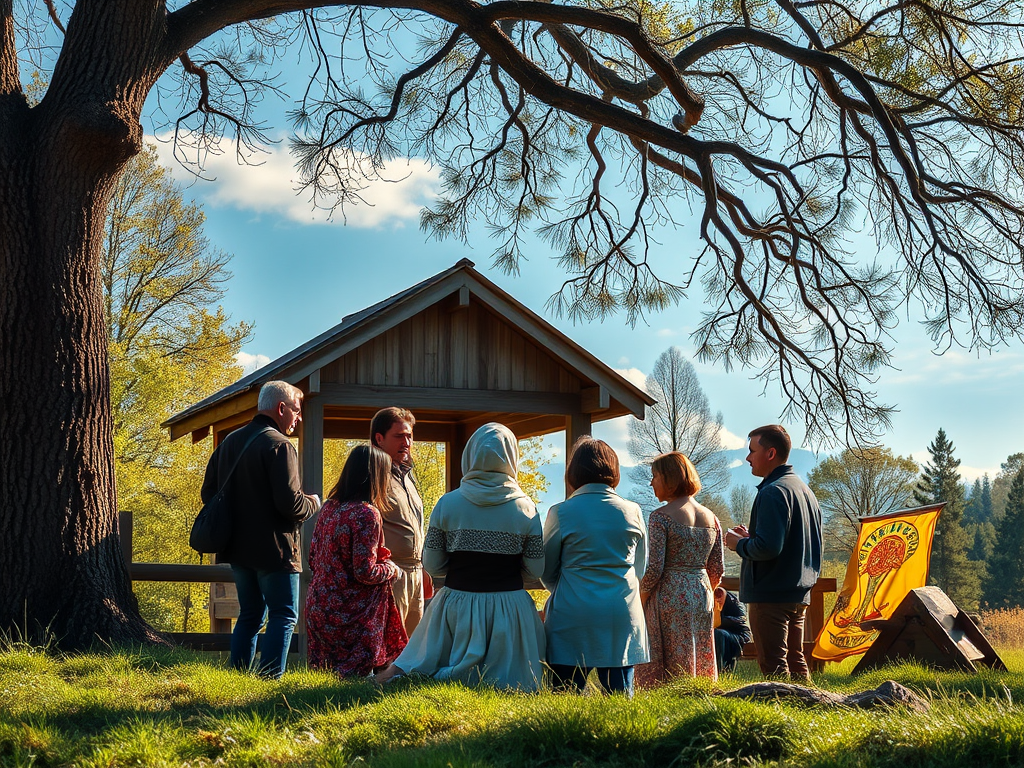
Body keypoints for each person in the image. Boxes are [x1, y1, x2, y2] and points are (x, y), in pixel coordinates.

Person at [374, 422, 546, 691]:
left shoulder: (448, 503)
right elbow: (535, 570)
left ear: (471, 454)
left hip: (456, 605)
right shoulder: (526, 508)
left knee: (423, 667)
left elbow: (431, 563)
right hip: (510, 609)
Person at [201, 380, 320, 679]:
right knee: (283, 615)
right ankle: (269, 679)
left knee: (251, 615)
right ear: (281, 408)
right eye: (297, 409)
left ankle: (238, 678)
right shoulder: (280, 445)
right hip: (275, 550)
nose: (299, 417)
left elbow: (209, 494)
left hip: (238, 550)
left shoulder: (228, 443)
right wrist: (314, 504)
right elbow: (290, 505)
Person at [543, 436, 648, 696]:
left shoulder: (561, 512)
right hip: (620, 613)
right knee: (620, 700)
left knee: (565, 697)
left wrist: (565, 584)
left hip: (572, 612)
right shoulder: (632, 511)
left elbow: (546, 569)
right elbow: (640, 568)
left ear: (573, 472)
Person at [724, 424, 823, 682]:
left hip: (771, 594)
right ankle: (812, 713)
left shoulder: (773, 491)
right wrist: (751, 538)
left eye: (751, 451)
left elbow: (768, 548)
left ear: (770, 453)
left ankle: (783, 718)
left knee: (774, 664)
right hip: (798, 592)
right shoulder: (804, 490)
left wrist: (739, 544)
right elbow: (788, 541)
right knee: (796, 658)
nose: (747, 458)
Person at [306, 445, 407, 677]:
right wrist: (391, 570)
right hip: (351, 615)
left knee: (327, 680)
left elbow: (313, 558)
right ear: (376, 476)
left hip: (319, 606)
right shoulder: (366, 514)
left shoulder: (328, 508)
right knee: (357, 684)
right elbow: (365, 572)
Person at [635, 451, 724, 687]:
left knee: (669, 657)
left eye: (655, 476)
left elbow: (655, 568)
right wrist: (705, 590)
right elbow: (717, 568)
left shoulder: (660, 517)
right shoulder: (712, 518)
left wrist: (641, 598)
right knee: (698, 649)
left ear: (670, 478)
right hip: (701, 592)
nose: (651, 482)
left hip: (669, 595)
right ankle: (699, 692)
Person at [370, 407, 425, 635]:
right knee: (390, 649)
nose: (407, 442)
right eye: (399, 436)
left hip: (417, 573)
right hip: (391, 576)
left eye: (409, 436)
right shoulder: (372, 476)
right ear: (379, 438)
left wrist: (424, 569)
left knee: (414, 649)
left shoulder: (407, 476)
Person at [714, 587, 752, 674]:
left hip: (738, 635)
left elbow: (716, 623)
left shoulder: (736, 602)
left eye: (719, 596)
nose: (717, 599)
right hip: (722, 635)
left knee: (718, 634)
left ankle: (720, 671)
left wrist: (717, 610)